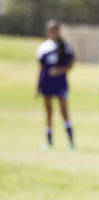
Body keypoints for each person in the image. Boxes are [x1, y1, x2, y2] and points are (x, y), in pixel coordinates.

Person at [35, 20, 75, 150]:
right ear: (47, 32)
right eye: (50, 30)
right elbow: (41, 69)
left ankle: (71, 141)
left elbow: (71, 65)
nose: (53, 33)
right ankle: (49, 141)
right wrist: (37, 87)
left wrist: (60, 71)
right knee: (48, 112)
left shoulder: (65, 46)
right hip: (47, 83)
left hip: (60, 83)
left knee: (64, 111)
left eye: (55, 30)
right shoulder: (43, 47)